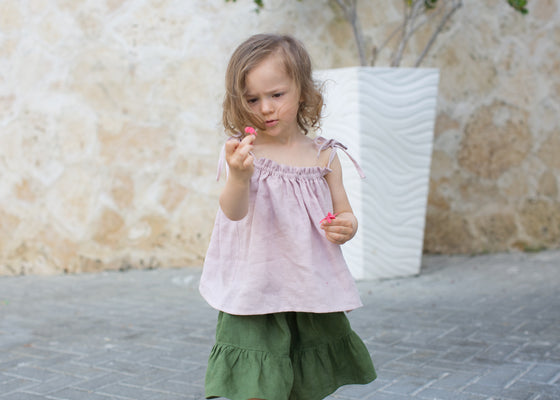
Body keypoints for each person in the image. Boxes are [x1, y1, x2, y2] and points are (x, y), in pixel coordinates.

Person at [199, 33, 376, 400]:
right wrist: (239, 176)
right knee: (255, 386)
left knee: (303, 385)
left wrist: (347, 226)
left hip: (306, 290)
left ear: (302, 91)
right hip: (254, 289)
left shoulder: (324, 157)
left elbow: (343, 214)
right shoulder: (243, 154)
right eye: (252, 99)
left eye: (276, 95)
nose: (265, 108)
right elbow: (233, 212)